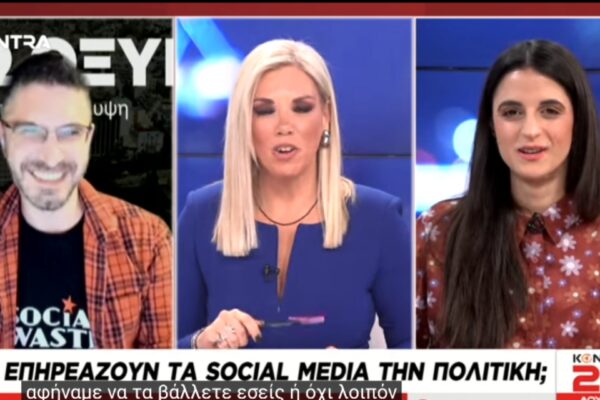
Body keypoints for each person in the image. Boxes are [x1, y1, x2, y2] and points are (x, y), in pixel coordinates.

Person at [178, 39, 411, 349]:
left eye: (301, 108)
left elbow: (414, 348)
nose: (284, 126)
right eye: (265, 111)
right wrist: (199, 344)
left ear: (326, 117)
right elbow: (163, 352)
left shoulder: (379, 218)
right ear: (244, 123)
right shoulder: (201, 214)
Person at [417, 39, 600, 349]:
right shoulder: (438, 233)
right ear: (491, 125)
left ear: (578, 120)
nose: (530, 130)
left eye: (550, 111)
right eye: (512, 112)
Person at [0, 51, 172, 349]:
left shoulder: (148, 241)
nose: (51, 157)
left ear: (88, 139)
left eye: (69, 132)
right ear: (4, 137)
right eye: (30, 131)